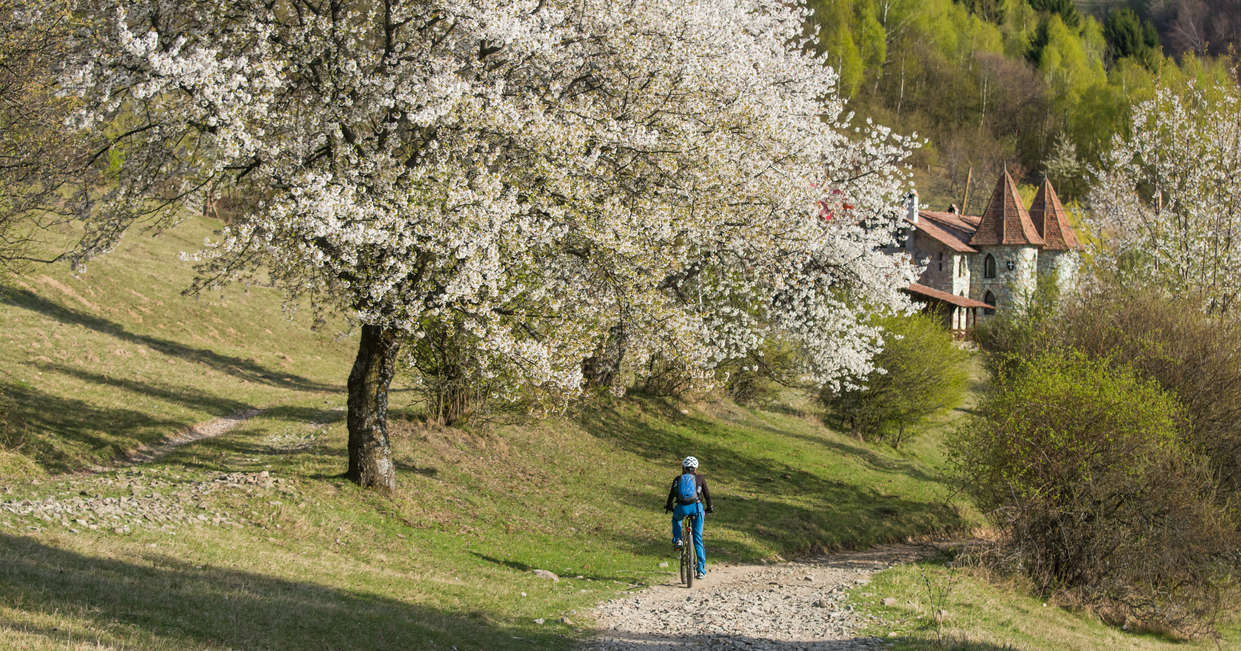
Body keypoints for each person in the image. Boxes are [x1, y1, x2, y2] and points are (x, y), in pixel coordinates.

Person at [664, 455, 713, 579]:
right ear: (696, 468)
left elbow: (671, 495)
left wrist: (668, 506)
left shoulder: (678, 478)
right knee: (697, 538)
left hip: (681, 508)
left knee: (676, 519)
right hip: (696, 508)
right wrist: (710, 507)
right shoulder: (700, 478)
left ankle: (678, 539)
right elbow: (707, 495)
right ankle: (701, 570)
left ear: (683, 468)